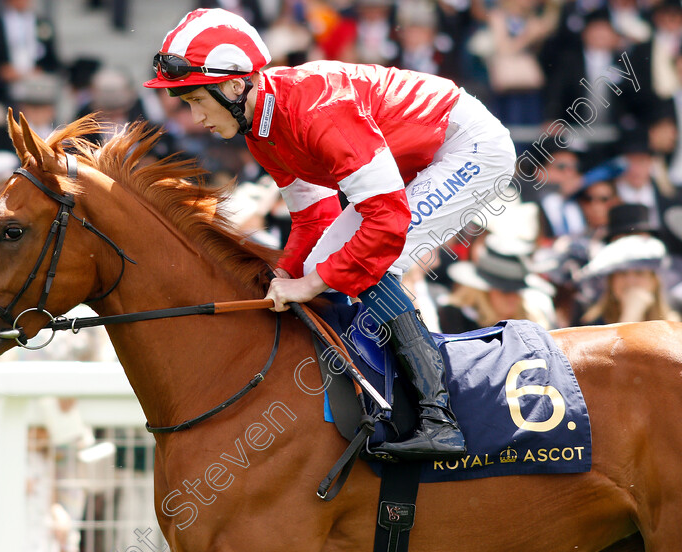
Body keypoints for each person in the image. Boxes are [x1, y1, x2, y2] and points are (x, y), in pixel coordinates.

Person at [144, 8, 518, 459]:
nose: (193, 116)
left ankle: (439, 418)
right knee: (332, 261)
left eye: (195, 99)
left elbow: (385, 223)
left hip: (467, 147)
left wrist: (309, 282)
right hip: (417, 159)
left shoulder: (315, 105)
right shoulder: (260, 129)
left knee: (373, 261)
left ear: (231, 85)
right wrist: (276, 280)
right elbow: (312, 219)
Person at [579, 234, 681, 325]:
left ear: (654, 280)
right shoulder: (592, 326)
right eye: (622, 274)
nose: (630, 281)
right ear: (611, 281)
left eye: (639, 273)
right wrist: (631, 314)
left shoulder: (671, 326)